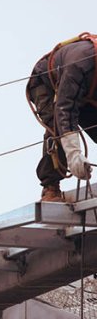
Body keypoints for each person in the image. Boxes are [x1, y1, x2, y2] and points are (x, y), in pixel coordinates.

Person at [26, 32, 97, 202]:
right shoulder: (80, 64)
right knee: (58, 127)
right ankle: (50, 187)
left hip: (84, 91)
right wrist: (74, 155)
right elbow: (65, 111)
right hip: (46, 85)